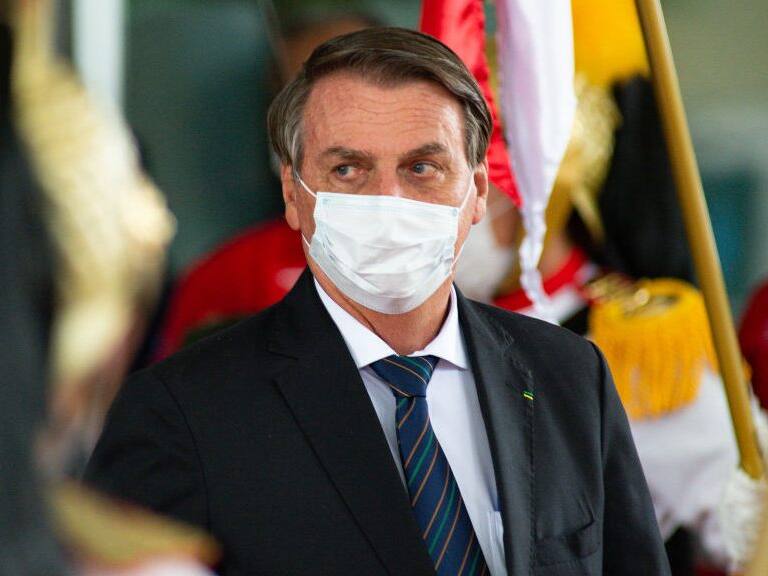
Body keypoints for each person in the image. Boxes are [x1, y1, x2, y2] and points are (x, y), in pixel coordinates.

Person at [85, 28, 670, 575]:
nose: (389, 200)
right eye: (347, 169)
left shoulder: (569, 375)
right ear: (293, 193)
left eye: (422, 167)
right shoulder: (182, 412)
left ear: (476, 191)